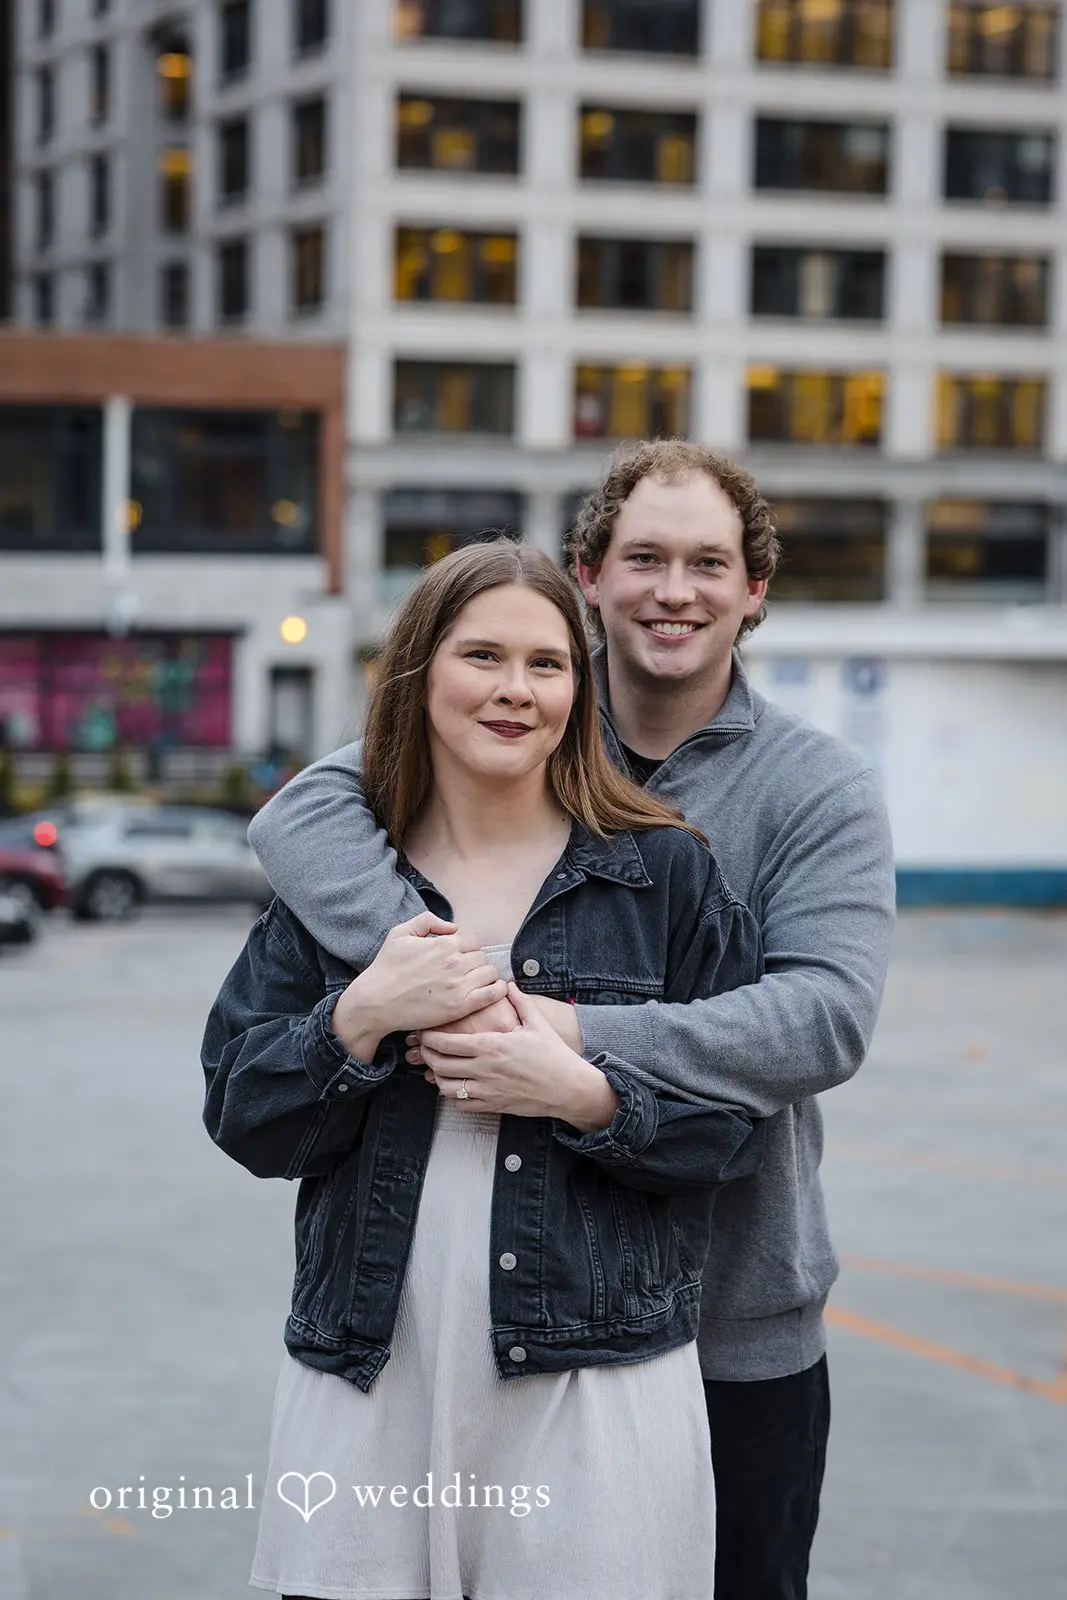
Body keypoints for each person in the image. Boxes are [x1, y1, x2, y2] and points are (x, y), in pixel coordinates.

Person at [248, 441, 898, 1600]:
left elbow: (823, 1018)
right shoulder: (519, 717)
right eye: (642, 557)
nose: (672, 590)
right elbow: (303, 815)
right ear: (588, 573)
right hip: (472, 1328)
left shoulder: (812, 786)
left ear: (753, 588)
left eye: (707, 563)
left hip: (730, 1314)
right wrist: (430, 974)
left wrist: (568, 1037)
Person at [203, 540, 767, 1600]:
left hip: (592, 1382)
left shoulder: (663, 876)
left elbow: (734, 1133)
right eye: (482, 657)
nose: (515, 689)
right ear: (419, 674)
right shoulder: (340, 886)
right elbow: (244, 1115)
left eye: (546, 663)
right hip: (372, 1365)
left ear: (578, 690)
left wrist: (582, 1095)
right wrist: (361, 1016)